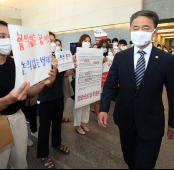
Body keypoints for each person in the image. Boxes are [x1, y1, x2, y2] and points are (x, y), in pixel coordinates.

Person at [0, 19, 58, 169]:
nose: (7, 40)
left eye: (9, 36)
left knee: (20, 162)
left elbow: (29, 93)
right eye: (2, 36)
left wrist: (44, 83)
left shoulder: (16, 63)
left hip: (18, 118)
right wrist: (9, 99)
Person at [98, 10, 174, 169]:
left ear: (155, 32)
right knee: (129, 159)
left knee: (145, 165)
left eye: (145, 28)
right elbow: (111, 84)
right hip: (125, 120)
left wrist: (172, 122)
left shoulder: (167, 59)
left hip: (152, 123)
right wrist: (103, 108)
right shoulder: (121, 57)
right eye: (136, 27)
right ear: (130, 30)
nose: (140, 31)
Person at [37, 32, 77, 169]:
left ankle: (56, 143)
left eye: (54, 41)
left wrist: (69, 65)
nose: (53, 43)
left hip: (58, 96)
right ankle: (43, 154)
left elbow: (65, 75)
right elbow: (47, 82)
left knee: (57, 124)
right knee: (44, 127)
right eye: (49, 41)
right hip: (44, 98)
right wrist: (53, 65)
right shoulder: (39, 60)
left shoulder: (57, 57)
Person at [72, 34, 92, 135]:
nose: (87, 43)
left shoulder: (92, 54)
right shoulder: (76, 54)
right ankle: (77, 124)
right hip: (79, 83)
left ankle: (83, 122)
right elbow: (73, 71)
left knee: (87, 103)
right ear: (81, 42)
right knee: (79, 104)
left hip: (89, 82)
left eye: (89, 41)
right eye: (85, 41)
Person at [93, 39, 114, 119]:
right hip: (98, 79)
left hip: (106, 80)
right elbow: (94, 66)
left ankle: (101, 114)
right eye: (102, 46)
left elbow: (116, 59)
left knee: (104, 99)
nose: (104, 48)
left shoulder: (108, 55)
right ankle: (97, 115)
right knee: (97, 100)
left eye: (105, 46)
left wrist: (112, 50)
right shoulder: (97, 55)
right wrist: (101, 61)